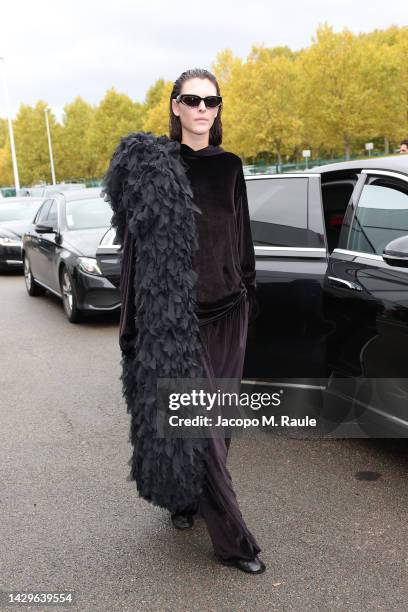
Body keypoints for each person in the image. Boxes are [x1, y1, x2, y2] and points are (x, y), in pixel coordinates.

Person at [104, 68, 265, 575]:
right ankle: (235, 542)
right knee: (204, 427)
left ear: (218, 109)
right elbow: (134, 252)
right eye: (191, 99)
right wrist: (132, 325)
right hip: (179, 323)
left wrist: (248, 294)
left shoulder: (230, 166)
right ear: (174, 105)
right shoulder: (155, 167)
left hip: (229, 314)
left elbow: (242, 237)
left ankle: (186, 498)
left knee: (218, 426)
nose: (201, 109)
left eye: (210, 101)